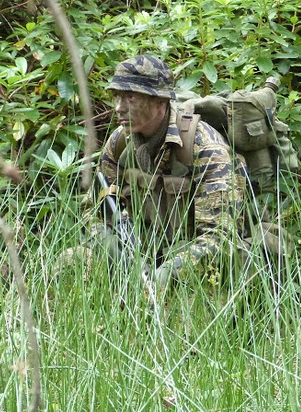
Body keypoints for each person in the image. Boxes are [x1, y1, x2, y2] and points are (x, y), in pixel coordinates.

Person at [93, 55, 246, 294]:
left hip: (193, 261)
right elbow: (94, 210)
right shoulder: (119, 141)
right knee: (71, 261)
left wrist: (168, 273)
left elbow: (221, 237)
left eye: (130, 97)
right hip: (142, 250)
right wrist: (112, 246)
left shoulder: (204, 147)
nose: (119, 107)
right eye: (117, 97)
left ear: (161, 102)